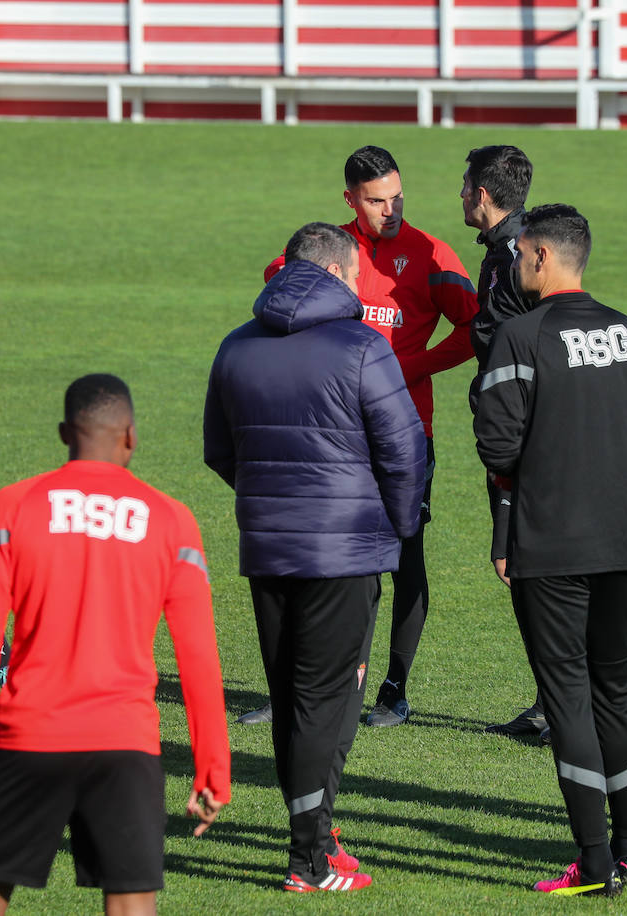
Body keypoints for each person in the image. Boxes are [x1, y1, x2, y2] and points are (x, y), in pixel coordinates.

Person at [0, 374, 231, 915]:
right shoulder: (172, 520)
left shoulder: (11, 507)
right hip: (124, 745)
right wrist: (211, 768)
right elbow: (197, 657)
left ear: (64, 433)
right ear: (130, 437)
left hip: (26, 737)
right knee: (131, 907)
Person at [206, 222, 426, 891]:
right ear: (334, 274)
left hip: (269, 545)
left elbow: (220, 450)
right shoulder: (363, 345)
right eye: (357, 276)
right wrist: (396, 523)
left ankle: (318, 835)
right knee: (327, 701)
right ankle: (307, 861)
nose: (360, 287)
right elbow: (406, 452)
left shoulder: (236, 346)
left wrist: (272, 500)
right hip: (346, 553)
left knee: (289, 695)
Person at [249, 145, 477, 729]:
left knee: (405, 555)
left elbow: (478, 327)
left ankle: (394, 688)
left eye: (397, 197)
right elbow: (275, 284)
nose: (390, 210)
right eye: (376, 201)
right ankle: (297, 689)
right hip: (333, 437)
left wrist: (411, 369)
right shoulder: (330, 251)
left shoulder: (430, 254)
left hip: (404, 433)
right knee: (317, 559)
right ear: (350, 200)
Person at [474, 204, 627, 897]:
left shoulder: (521, 337)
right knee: (616, 690)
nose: (517, 266)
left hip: (551, 543)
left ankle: (591, 864)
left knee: (567, 698)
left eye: (522, 255)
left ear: (543, 257)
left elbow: (497, 446)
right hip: (622, 541)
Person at [457, 144, 548, 743]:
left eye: (465, 187)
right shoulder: (513, 250)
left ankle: (558, 702)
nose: (460, 196)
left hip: (523, 435)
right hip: (519, 426)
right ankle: (553, 697)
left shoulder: (514, 257)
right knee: (525, 566)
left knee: (525, 563)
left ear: (484, 196)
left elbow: (512, 341)